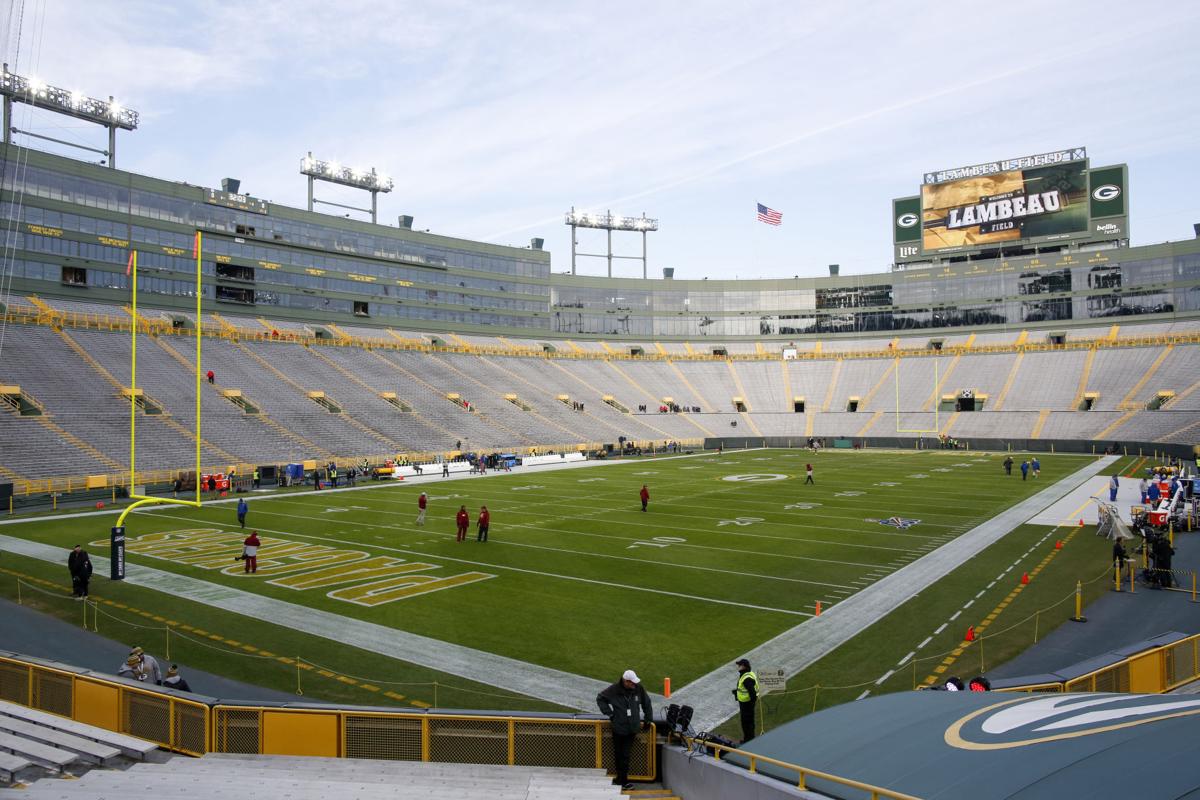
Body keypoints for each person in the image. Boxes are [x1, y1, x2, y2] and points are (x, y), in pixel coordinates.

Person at [596, 669, 653, 790]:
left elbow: (647, 703)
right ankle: (621, 779)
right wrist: (610, 714)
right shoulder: (613, 690)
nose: (634, 684)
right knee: (619, 754)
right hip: (619, 728)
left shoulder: (638, 688)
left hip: (632, 728)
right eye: (632, 682)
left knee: (625, 755)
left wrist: (648, 719)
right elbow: (600, 699)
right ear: (626, 681)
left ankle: (623, 780)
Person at [733, 658, 759, 744]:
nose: (738, 667)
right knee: (749, 722)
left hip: (747, 704)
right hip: (747, 703)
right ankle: (749, 739)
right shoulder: (747, 674)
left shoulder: (746, 678)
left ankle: (748, 741)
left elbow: (752, 692)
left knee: (746, 723)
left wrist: (751, 703)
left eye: (739, 665)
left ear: (743, 666)